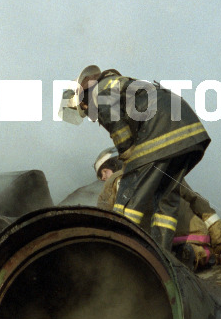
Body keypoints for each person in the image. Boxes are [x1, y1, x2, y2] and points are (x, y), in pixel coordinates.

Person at [60, 65, 210, 251]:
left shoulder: (101, 92)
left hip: (162, 131)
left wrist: (128, 156)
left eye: (84, 108)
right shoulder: (115, 84)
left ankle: (120, 250)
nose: (89, 113)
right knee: (166, 198)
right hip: (188, 132)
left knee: (129, 194)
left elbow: (119, 129)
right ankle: (162, 253)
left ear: (83, 98)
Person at [96, 159, 221, 271]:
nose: (102, 178)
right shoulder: (163, 169)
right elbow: (198, 203)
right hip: (194, 235)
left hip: (154, 244)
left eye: (104, 172)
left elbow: (104, 220)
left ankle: (183, 256)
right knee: (204, 251)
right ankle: (196, 254)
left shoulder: (113, 182)